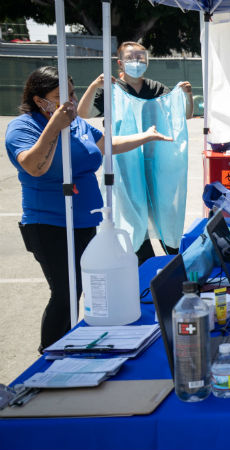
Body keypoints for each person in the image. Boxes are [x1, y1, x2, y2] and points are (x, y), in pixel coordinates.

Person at [5, 66, 172, 352]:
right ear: (38, 99)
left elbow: (106, 145)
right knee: (65, 292)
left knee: (86, 286)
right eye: (60, 96)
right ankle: (49, 351)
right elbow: (34, 166)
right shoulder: (23, 127)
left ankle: (74, 344)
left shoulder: (77, 123)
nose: (69, 101)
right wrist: (54, 128)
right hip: (48, 224)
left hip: (85, 221)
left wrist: (145, 136)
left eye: (71, 93)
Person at [77, 40, 193, 264]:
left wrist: (185, 96)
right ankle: (142, 261)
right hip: (126, 162)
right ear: (120, 63)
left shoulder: (157, 88)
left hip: (156, 161)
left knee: (164, 209)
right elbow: (83, 113)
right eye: (131, 58)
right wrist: (94, 87)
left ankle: (173, 255)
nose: (137, 62)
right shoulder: (112, 90)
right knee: (134, 212)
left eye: (141, 57)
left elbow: (183, 115)